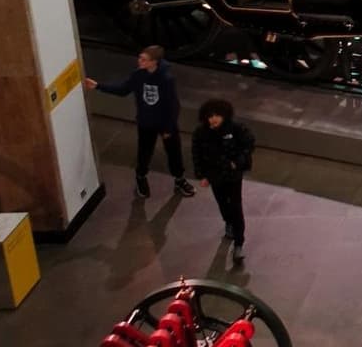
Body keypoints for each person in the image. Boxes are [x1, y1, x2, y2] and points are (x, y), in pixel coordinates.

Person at [85, 46, 196, 199]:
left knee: (174, 152)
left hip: (165, 123)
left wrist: (168, 128)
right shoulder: (138, 76)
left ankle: (179, 179)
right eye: (140, 58)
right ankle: (141, 177)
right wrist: (98, 86)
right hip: (146, 122)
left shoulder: (166, 79)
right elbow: (123, 90)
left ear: (154, 62)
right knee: (144, 152)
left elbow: (173, 105)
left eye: (144, 59)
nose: (139, 61)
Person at [191, 98, 256, 265]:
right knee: (222, 202)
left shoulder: (236, 129)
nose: (213, 119)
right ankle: (228, 222)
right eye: (210, 116)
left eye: (217, 115)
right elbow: (197, 154)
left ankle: (239, 244)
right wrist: (202, 175)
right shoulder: (201, 133)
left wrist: (238, 162)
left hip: (233, 175)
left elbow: (248, 145)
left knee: (236, 206)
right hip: (214, 175)